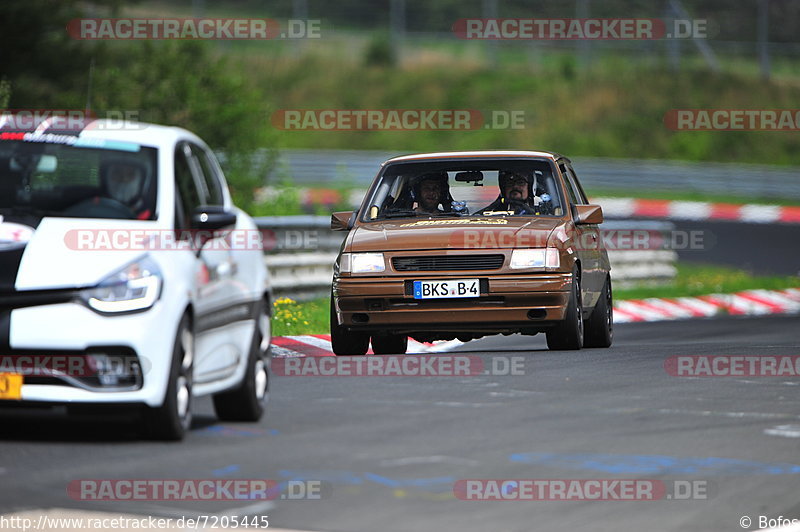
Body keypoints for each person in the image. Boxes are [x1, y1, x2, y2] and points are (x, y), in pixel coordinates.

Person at [481, 170, 550, 215]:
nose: (515, 186)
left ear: (530, 187)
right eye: (510, 183)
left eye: (521, 182)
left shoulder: (543, 210)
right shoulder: (493, 211)